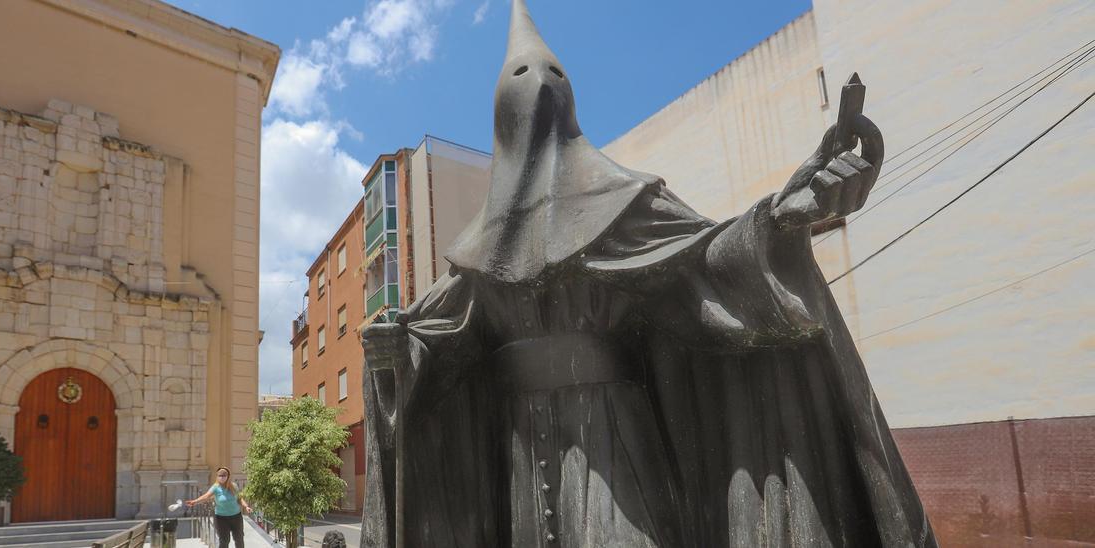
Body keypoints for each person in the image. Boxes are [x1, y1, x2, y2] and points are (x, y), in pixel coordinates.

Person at [359, 0, 934, 546]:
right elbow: (442, 341)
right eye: (521, 76)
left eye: (552, 73)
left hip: (614, 437)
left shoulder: (626, 201)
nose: (538, 83)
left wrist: (782, 219)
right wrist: (397, 351)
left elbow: (705, 259)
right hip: (516, 450)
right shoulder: (477, 252)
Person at [187, 466, 252, 548]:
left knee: (239, 539)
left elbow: (240, 498)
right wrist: (195, 502)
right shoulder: (215, 487)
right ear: (217, 476)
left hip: (236, 517)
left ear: (228, 476)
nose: (222, 477)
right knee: (224, 540)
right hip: (221, 518)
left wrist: (246, 506)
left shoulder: (234, 486)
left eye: (224, 475)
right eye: (220, 475)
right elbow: (206, 496)